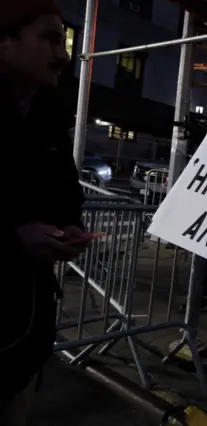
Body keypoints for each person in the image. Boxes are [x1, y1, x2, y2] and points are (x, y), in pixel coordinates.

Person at [1, 1, 89, 424]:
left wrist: (71, 229)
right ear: (4, 43)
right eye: (49, 39)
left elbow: (68, 196)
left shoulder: (49, 115)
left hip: (22, 347)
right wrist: (15, 243)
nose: (63, 55)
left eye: (63, 40)